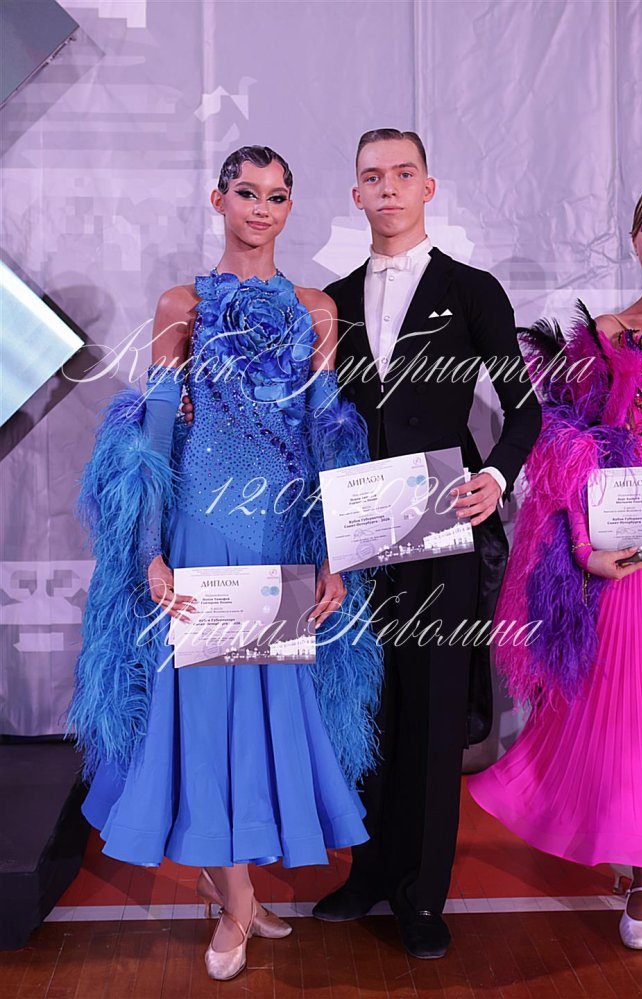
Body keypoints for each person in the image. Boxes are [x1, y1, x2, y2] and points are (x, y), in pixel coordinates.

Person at [68, 145, 383, 982]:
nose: (261, 209)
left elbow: (327, 433)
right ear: (219, 200)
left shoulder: (318, 309)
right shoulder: (182, 303)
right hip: (203, 531)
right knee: (206, 712)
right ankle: (236, 902)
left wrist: (336, 552)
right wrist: (151, 550)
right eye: (247, 192)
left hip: (283, 534)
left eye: (276, 196)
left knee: (268, 713)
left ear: (290, 207)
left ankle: (231, 881)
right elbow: (154, 435)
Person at [311, 128, 542, 958]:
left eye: (402, 173)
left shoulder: (471, 289)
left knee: (436, 709)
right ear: (356, 194)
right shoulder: (330, 299)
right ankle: (369, 871)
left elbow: (524, 409)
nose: (388, 188)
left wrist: (499, 478)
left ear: (428, 187)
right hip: (357, 528)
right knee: (367, 703)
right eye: (373, 176)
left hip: (444, 525)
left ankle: (421, 893)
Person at [468, 176, 642, 950]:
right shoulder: (608, 334)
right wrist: (585, 546)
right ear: (633, 238)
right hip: (637, 545)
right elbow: (567, 450)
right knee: (637, 707)